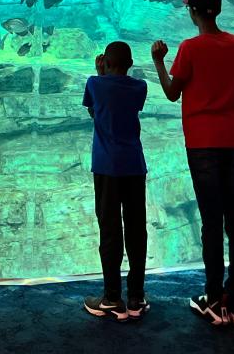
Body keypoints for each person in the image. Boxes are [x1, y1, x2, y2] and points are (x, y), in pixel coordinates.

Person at [150, 0, 234, 325]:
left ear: (192, 11)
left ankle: (212, 297)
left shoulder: (190, 48)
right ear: (218, 10)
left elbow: (171, 93)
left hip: (203, 144)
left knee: (212, 220)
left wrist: (158, 62)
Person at [82, 42, 150, 321]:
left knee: (110, 230)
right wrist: (107, 72)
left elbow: (94, 112)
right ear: (131, 62)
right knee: (136, 230)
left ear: (105, 63)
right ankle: (136, 297)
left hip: (107, 167)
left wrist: (99, 73)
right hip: (134, 164)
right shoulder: (140, 87)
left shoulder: (95, 83)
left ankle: (112, 297)